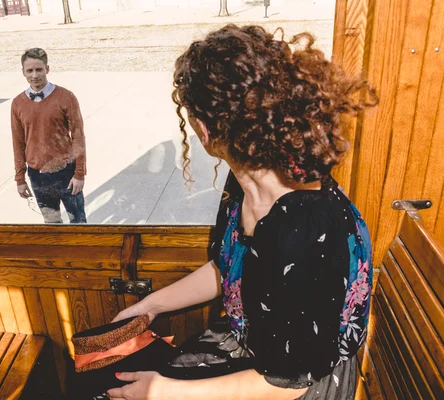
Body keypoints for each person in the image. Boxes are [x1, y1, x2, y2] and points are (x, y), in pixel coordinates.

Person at [106, 25, 376, 400]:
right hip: (256, 354)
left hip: (295, 387)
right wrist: (150, 306)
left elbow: (290, 383)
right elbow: (229, 268)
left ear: (203, 128)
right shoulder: (247, 182)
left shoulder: (305, 230)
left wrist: (164, 392)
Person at [11, 48, 87, 224]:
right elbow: (18, 143)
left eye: (39, 69)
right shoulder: (17, 104)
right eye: (30, 70)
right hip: (38, 176)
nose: (35, 75)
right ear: (23, 72)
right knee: (52, 223)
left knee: (79, 222)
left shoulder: (66, 97)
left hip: (66, 172)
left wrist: (79, 174)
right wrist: (20, 178)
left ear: (47, 69)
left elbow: (78, 137)